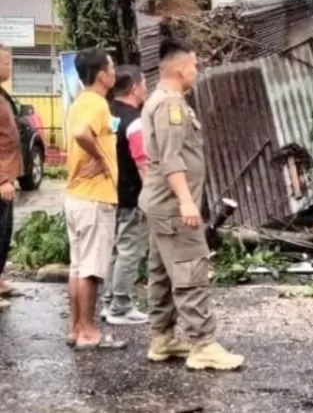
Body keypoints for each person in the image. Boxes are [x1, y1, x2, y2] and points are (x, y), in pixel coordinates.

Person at [139, 38, 244, 371]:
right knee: (190, 269)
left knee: (161, 272)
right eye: (195, 66)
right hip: (172, 205)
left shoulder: (160, 100)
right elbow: (171, 158)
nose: (196, 72)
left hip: (159, 203)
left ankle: (163, 337)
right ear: (182, 69)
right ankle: (202, 344)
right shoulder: (171, 106)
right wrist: (186, 202)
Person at [64, 47, 125, 350]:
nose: (114, 72)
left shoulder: (79, 101)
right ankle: (89, 331)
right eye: (111, 67)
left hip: (76, 197)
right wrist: (101, 158)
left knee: (77, 266)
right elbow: (81, 133)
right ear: (101, 74)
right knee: (91, 268)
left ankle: (76, 328)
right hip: (94, 198)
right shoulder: (97, 103)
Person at [101, 65, 150, 325]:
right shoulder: (135, 121)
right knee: (130, 249)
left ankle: (108, 302)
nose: (146, 88)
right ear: (133, 88)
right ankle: (121, 305)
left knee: (114, 249)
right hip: (132, 193)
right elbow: (143, 162)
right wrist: (151, 195)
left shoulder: (109, 115)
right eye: (143, 83)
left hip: (111, 191)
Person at [0, 44, 22, 311]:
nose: (10, 66)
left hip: (8, 174)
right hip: (1, 176)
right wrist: (2, 179)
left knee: (5, 231)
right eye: (6, 61)